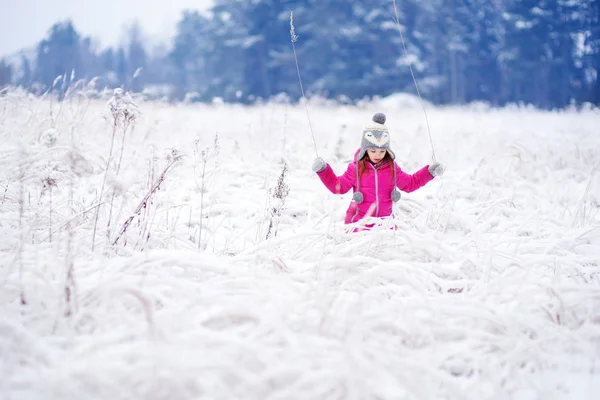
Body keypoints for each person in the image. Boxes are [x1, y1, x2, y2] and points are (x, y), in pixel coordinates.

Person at [312, 112, 444, 226]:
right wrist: (323, 170)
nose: (377, 155)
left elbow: (410, 184)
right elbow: (338, 187)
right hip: (357, 226)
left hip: (384, 227)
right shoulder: (356, 168)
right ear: (365, 149)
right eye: (373, 150)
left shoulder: (392, 168)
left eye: (382, 151)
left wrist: (429, 172)